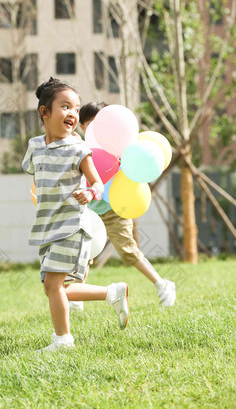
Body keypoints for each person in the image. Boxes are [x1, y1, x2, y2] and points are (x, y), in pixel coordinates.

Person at [22, 78, 129, 353]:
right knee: (53, 286)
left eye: (76, 108)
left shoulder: (79, 149)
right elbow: (37, 176)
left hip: (72, 225)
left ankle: (63, 340)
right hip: (48, 225)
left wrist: (89, 193)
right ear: (44, 112)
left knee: (53, 284)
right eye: (65, 106)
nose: (72, 113)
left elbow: (97, 183)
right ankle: (111, 292)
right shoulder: (34, 146)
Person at [71, 102, 176, 311]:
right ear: (82, 127)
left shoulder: (119, 148)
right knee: (85, 251)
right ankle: (77, 295)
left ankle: (162, 284)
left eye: (100, 122)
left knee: (127, 251)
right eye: (90, 124)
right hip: (91, 209)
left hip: (115, 207)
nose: (97, 129)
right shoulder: (81, 148)